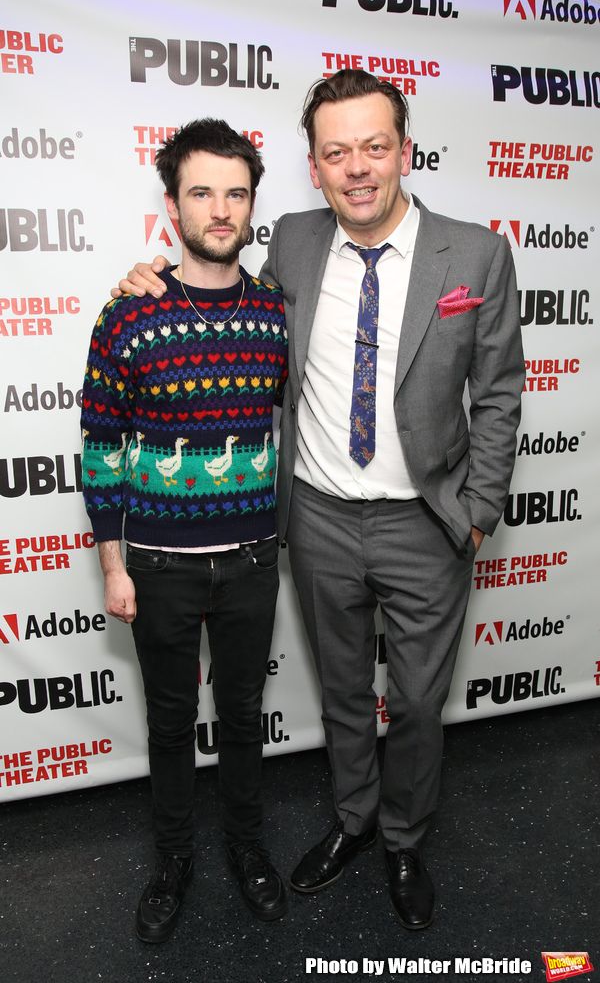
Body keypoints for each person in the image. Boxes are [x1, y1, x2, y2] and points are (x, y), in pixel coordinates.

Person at [111, 70, 525, 931]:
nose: (358, 167)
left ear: (405, 150)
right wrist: (141, 280)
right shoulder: (294, 245)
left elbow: (499, 395)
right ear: (314, 165)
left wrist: (478, 510)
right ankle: (353, 820)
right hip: (319, 517)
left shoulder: (475, 254)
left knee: (415, 701)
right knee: (342, 693)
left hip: (427, 519)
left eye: (375, 146)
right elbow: (218, 300)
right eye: (337, 152)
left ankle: (405, 838)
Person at [81, 118, 288, 943]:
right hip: (158, 563)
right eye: (202, 191)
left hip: (251, 560)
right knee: (169, 724)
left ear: (250, 206)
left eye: (235, 192)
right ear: (172, 205)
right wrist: (113, 565)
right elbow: (99, 444)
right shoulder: (127, 315)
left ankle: (246, 847)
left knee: (242, 715)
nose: (220, 208)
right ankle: (173, 859)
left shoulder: (276, 310)